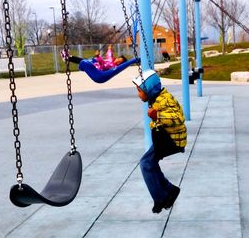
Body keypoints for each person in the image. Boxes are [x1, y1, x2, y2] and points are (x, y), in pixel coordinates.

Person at [132, 69, 186, 213]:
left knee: (146, 163)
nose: (138, 95)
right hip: (165, 138)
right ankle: (170, 190)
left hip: (172, 140)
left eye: (139, 91)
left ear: (148, 89)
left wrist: (158, 116)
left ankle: (161, 198)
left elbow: (179, 118)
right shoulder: (157, 98)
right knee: (150, 163)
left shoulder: (165, 100)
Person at [60, 49, 127, 71]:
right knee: (82, 60)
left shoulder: (112, 66)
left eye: (119, 61)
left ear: (119, 64)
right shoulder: (112, 60)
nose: (117, 60)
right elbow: (109, 55)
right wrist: (110, 49)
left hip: (96, 67)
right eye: (118, 58)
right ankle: (68, 57)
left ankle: (68, 57)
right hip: (95, 63)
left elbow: (103, 65)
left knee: (83, 61)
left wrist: (98, 56)